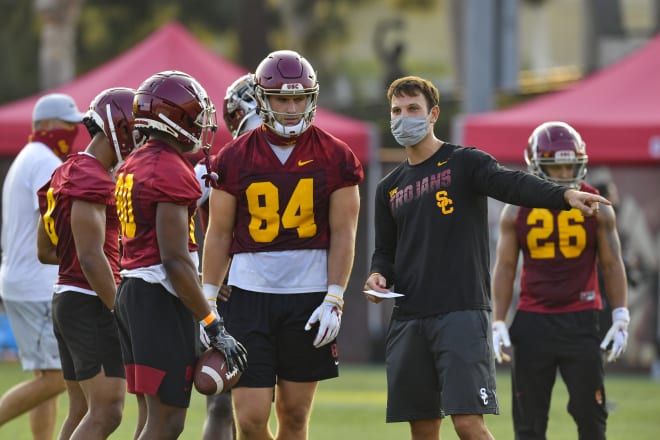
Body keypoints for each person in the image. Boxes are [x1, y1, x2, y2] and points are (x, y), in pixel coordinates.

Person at [362, 77, 610, 440]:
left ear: (433, 114)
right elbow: (384, 252)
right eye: (396, 111)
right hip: (409, 318)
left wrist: (564, 195)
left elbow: (512, 183)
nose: (403, 118)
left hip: (461, 312)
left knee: (469, 425)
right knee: (423, 429)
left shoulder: (464, 162)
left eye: (412, 109)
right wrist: (377, 277)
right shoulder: (389, 188)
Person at [201, 50, 363, 440]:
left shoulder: (336, 156)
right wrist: (206, 302)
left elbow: (344, 233)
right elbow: (219, 233)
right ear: (262, 98)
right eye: (281, 99)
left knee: (294, 416)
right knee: (252, 418)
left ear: (312, 98)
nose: (291, 108)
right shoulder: (233, 156)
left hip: (308, 298)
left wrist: (335, 296)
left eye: (299, 98)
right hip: (248, 296)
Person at [113, 70, 247, 439]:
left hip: (134, 293)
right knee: (167, 421)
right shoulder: (170, 169)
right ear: (173, 120)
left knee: (148, 417)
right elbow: (173, 259)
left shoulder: (134, 162)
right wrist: (212, 323)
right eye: (194, 116)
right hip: (157, 299)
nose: (202, 124)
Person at [491, 121, 629, 440]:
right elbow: (505, 265)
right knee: (529, 426)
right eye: (557, 167)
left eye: (571, 165)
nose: (566, 174)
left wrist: (621, 314)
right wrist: (498, 320)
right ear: (537, 167)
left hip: (581, 322)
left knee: (592, 419)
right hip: (532, 322)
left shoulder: (598, 206)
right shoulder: (516, 209)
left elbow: (611, 263)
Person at [35, 88, 143, 439]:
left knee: (81, 410)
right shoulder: (91, 176)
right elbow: (91, 255)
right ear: (121, 128)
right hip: (89, 299)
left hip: (69, 297)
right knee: (108, 410)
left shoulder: (68, 170)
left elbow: (46, 250)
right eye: (137, 130)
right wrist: (120, 309)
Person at [0, 93, 84, 439]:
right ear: (47, 125)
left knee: (46, 376)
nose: (74, 131)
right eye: (69, 124)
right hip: (35, 284)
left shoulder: (28, 156)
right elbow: (57, 223)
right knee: (56, 377)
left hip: (21, 281)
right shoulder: (44, 161)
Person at [194, 73, 261, 440]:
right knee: (233, 399)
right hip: (248, 292)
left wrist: (207, 273)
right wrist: (209, 274)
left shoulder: (220, 160)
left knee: (230, 400)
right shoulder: (223, 161)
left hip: (246, 291)